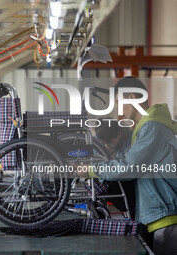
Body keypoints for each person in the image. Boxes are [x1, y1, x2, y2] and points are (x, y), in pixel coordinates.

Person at [77, 76, 177, 255]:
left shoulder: (153, 127)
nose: (118, 109)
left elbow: (129, 166)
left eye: (118, 102)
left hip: (167, 216)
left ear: (131, 98)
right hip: (158, 215)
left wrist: (92, 170)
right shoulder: (144, 128)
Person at [94, 119, 136, 219]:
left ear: (119, 134)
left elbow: (126, 169)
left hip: (127, 181)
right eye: (103, 142)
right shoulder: (97, 139)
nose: (106, 146)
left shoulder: (131, 140)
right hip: (107, 180)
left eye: (109, 141)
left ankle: (130, 213)